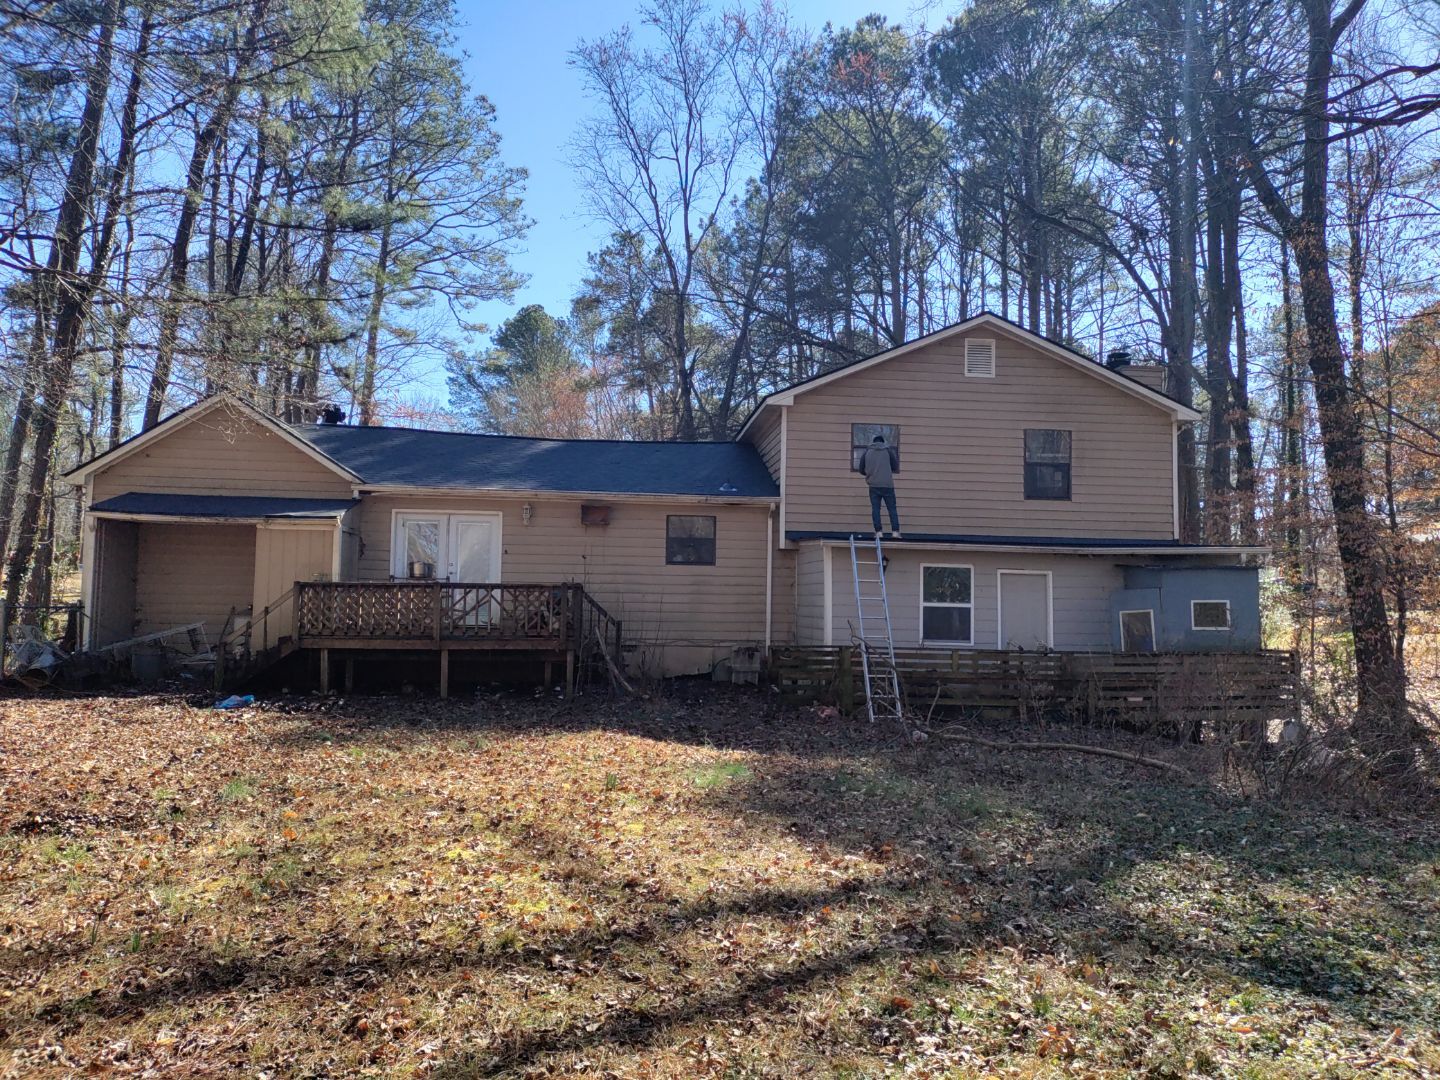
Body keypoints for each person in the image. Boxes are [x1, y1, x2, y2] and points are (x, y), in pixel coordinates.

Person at [861, 434, 901, 537]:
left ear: (873, 442)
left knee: (875, 509)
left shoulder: (867, 452)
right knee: (892, 508)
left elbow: (861, 469)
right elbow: (895, 466)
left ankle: (878, 532)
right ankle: (895, 532)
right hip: (887, 484)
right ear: (883, 442)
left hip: (873, 485)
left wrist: (870, 473)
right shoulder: (888, 451)